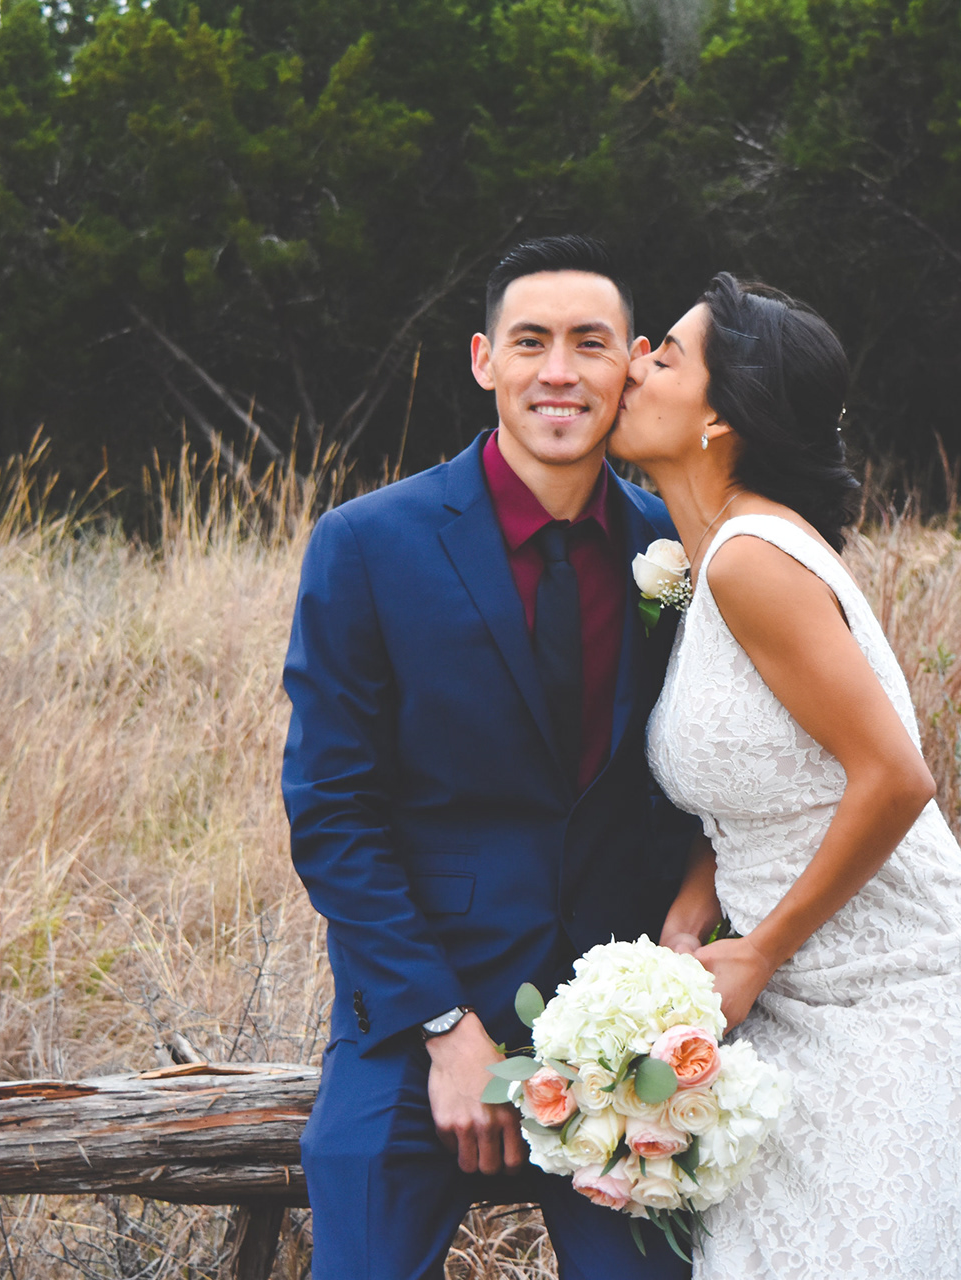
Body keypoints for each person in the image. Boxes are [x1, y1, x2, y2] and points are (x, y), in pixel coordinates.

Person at [281, 235, 700, 1280]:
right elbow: (332, 810)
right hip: (420, 1003)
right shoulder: (367, 543)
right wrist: (444, 1025)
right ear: (484, 360)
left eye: (589, 343)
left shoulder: (677, 548)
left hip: (619, 1024)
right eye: (530, 342)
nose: (559, 371)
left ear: (631, 364)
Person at [610, 273, 961, 1277]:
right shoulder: (709, 564)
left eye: (667, 355)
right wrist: (693, 917)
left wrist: (759, 949)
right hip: (783, 1000)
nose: (635, 362)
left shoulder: (753, 559)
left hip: (892, 989)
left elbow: (895, 777)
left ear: (721, 418)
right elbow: (761, 782)